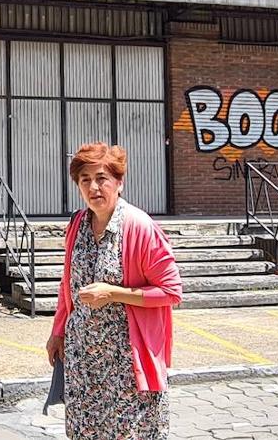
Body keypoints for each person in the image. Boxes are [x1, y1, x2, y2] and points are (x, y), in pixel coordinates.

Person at [45, 142, 183, 439]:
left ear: (119, 182)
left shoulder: (139, 226)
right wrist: (58, 332)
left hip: (126, 365)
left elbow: (171, 291)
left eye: (101, 178)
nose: (93, 187)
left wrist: (115, 293)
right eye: (85, 180)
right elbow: (67, 282)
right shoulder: (77, 225)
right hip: (83, 361)